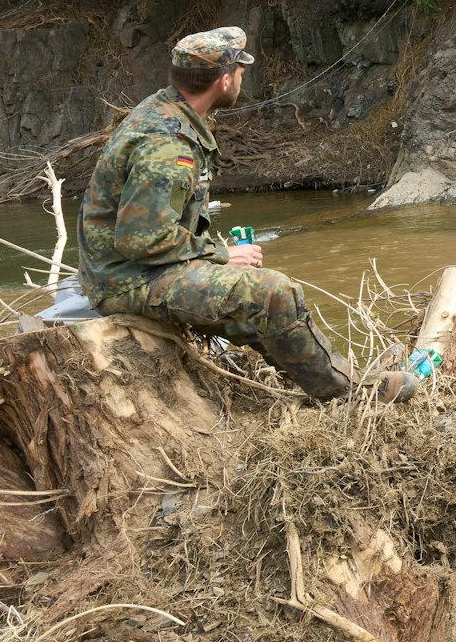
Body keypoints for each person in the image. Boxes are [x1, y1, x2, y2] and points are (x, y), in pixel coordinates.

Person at [77, 27, 411, 402]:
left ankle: (315, 378)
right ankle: (348, 394)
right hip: (126, 281)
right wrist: (221, 256)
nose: (241, 77)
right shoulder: (167, 145)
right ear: (223, 80)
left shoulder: (167, 111)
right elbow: (141, 239)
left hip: (131, 269)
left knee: (253, 293)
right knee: (273, 292)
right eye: (239, 71)